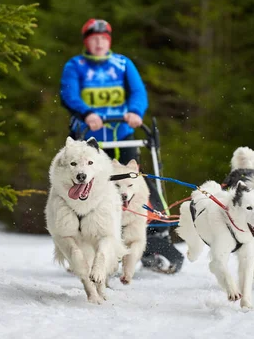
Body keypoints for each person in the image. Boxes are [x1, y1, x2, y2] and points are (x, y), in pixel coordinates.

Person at [59, 18, 184, 274]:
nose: (99, 42)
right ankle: (84, 244)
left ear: (109, 41)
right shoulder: (76, 65)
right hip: (90, 139)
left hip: (124, 134)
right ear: (86, 41)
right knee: (91, 187)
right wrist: (86, 113)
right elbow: (69, 94)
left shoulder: (123, 64)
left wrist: (136, 112)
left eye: (103, 38)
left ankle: (155, 238)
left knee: (135, 184)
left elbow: (138, 92)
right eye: (94, 38)